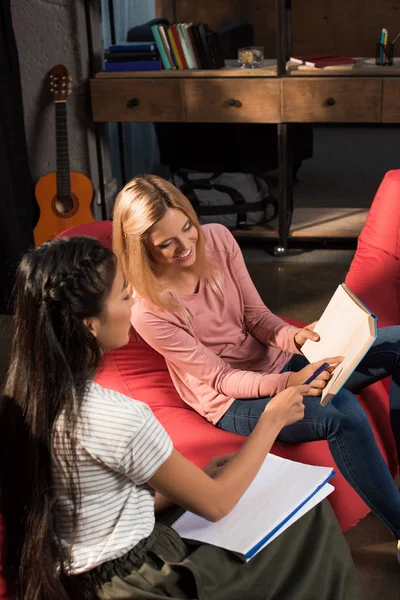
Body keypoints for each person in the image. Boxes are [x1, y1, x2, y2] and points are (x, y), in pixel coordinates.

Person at [0, 236, 362, 600]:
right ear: (89, 324)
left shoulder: (23, 401)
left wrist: (193, 481)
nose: (134, 305)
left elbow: (92, 503)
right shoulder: (118, 415)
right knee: (307, 517)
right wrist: (272, 419)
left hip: (74, 578)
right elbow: (217, 504)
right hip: (140, 582)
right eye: (125, 296)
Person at [113, 173, 400, 561]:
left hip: (278, 362)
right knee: (342, 411)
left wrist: (294, 339)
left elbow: (256, 316)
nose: (185, 247)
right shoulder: (147, 310)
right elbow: (220, 378)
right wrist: (288, 383)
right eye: (166, 243)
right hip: (230, 401)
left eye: (186, 229)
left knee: (396, 341)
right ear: (142, 248)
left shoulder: (216, 238)